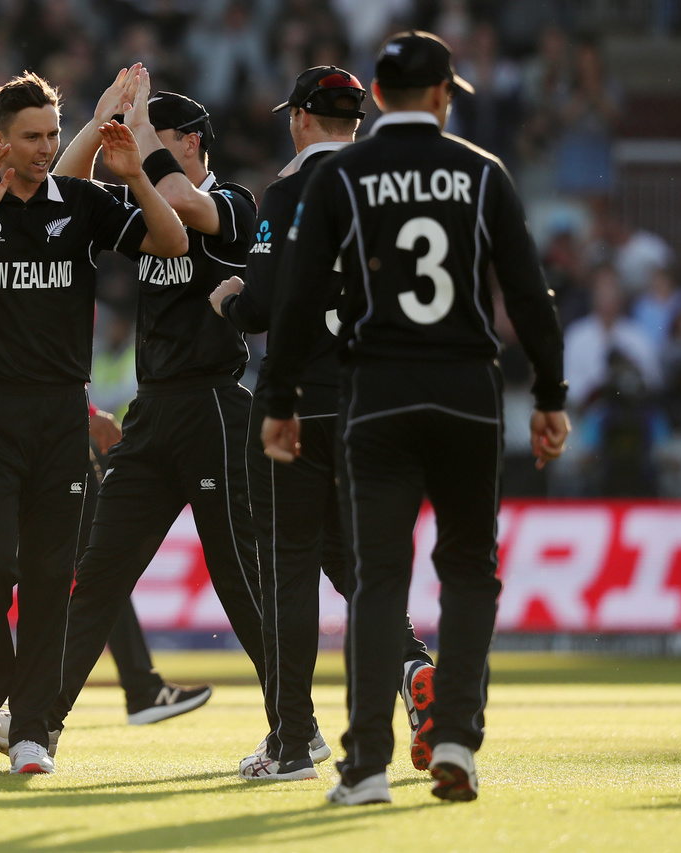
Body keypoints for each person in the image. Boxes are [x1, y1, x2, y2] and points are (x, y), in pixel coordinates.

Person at [263, 31, 570, 805]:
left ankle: (367, 764)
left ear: (378, 93)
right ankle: (457, 736)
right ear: (441, 96)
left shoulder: (344, 174)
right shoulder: (481, 171)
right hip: (467, 389)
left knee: (378, 576)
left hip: (379, 393)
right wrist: (550, 395)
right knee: (468, 569)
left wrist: (281, 400)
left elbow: (297, 297)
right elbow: (528, 294)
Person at [0, 70, 187, 775]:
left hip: (61, 413)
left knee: (49, 573)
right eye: (31, 136)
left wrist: (136, 176)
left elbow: (172, 244)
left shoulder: (84, 201)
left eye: (53, 136)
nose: (44, 148)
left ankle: (32, 727)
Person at [209, 66, 435, 782]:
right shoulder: (396, 188)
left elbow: (263, 306)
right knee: (357, 562)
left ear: (301, 117)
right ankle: (412, 665)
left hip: (299, 405)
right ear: (356, 120)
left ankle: (291, 742)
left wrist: (229, 298)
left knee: (288, 571)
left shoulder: (289, 190)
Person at [41, 68, 267, 758]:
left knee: (239, 579)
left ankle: (297, 725)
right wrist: (101, 120)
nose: (133, 146)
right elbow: (61, 192)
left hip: (213, 407)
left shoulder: (233, 203)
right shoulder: (142, 199)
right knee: (100, 572)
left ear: (191, 142)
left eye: (152, 134)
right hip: (153, 411)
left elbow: (177, 198)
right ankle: (39, 725)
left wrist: (136, 133)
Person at [0, 403, 214, 729]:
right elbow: (45, 367)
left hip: (16, 428)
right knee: (102, 563)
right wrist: (85, 411)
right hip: (56, 431)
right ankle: (141, 688)